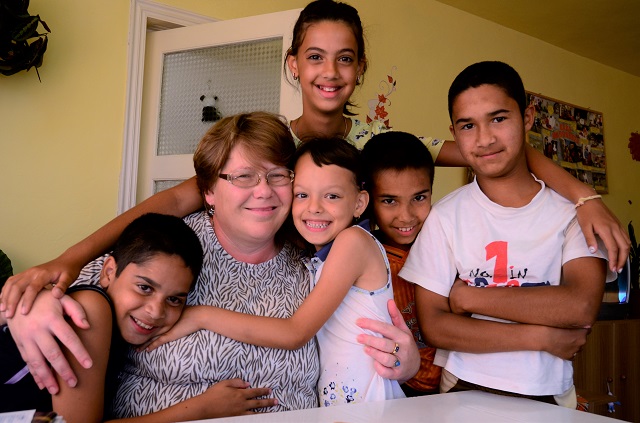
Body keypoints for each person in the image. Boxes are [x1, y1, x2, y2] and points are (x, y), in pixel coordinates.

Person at [0, 0, 628, 393]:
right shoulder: (268, 144)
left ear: (359, 69)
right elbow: (169, 205)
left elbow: (496, 147)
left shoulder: (380, 141)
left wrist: (583, 197)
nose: (331, 72)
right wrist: (63, 264)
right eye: (317, 57)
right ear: (294, 64)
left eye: (346, 58)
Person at [3, 112, 418, 419]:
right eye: (243, 177)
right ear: (209, 192)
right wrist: (34, 307)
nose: (264, 192)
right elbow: (87, 290)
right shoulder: (171, 244)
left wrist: (404, 363)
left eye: (278, 176)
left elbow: (364, 334)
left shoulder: (315, 253)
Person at [399, 61, 617, 408]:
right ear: (454, 132)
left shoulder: (572, 212)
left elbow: (580, 306)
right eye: (468, 125)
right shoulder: (445, 216)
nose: (484, 139)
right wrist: (540, 335)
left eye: (499, 119)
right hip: (462, 388)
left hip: (548, 391)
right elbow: (436, 327)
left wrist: (470, 298)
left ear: (528, 118)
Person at [145, 137, 406, 407]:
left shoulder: (352, 243)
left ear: (359, 203)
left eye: (332, 196)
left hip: (372, 403)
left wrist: (201, 316)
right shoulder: (319, 251)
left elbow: (295, 333)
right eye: (302, 195)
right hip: (343, 403)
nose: (314, 207)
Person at [0, 213, 204, 422]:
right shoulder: (90, 308)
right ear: (108, 272)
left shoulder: (113, 335)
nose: (156, 311)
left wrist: (204, 316)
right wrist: (199, 409)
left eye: (174, 300)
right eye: (144, 287)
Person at [360, 131, 441, 396]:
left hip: (449, 386)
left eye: (419, 198)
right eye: (389, 201)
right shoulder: (362, 256)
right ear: (367, 200)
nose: (406, 216)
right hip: (389, 387)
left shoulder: (447, 246)